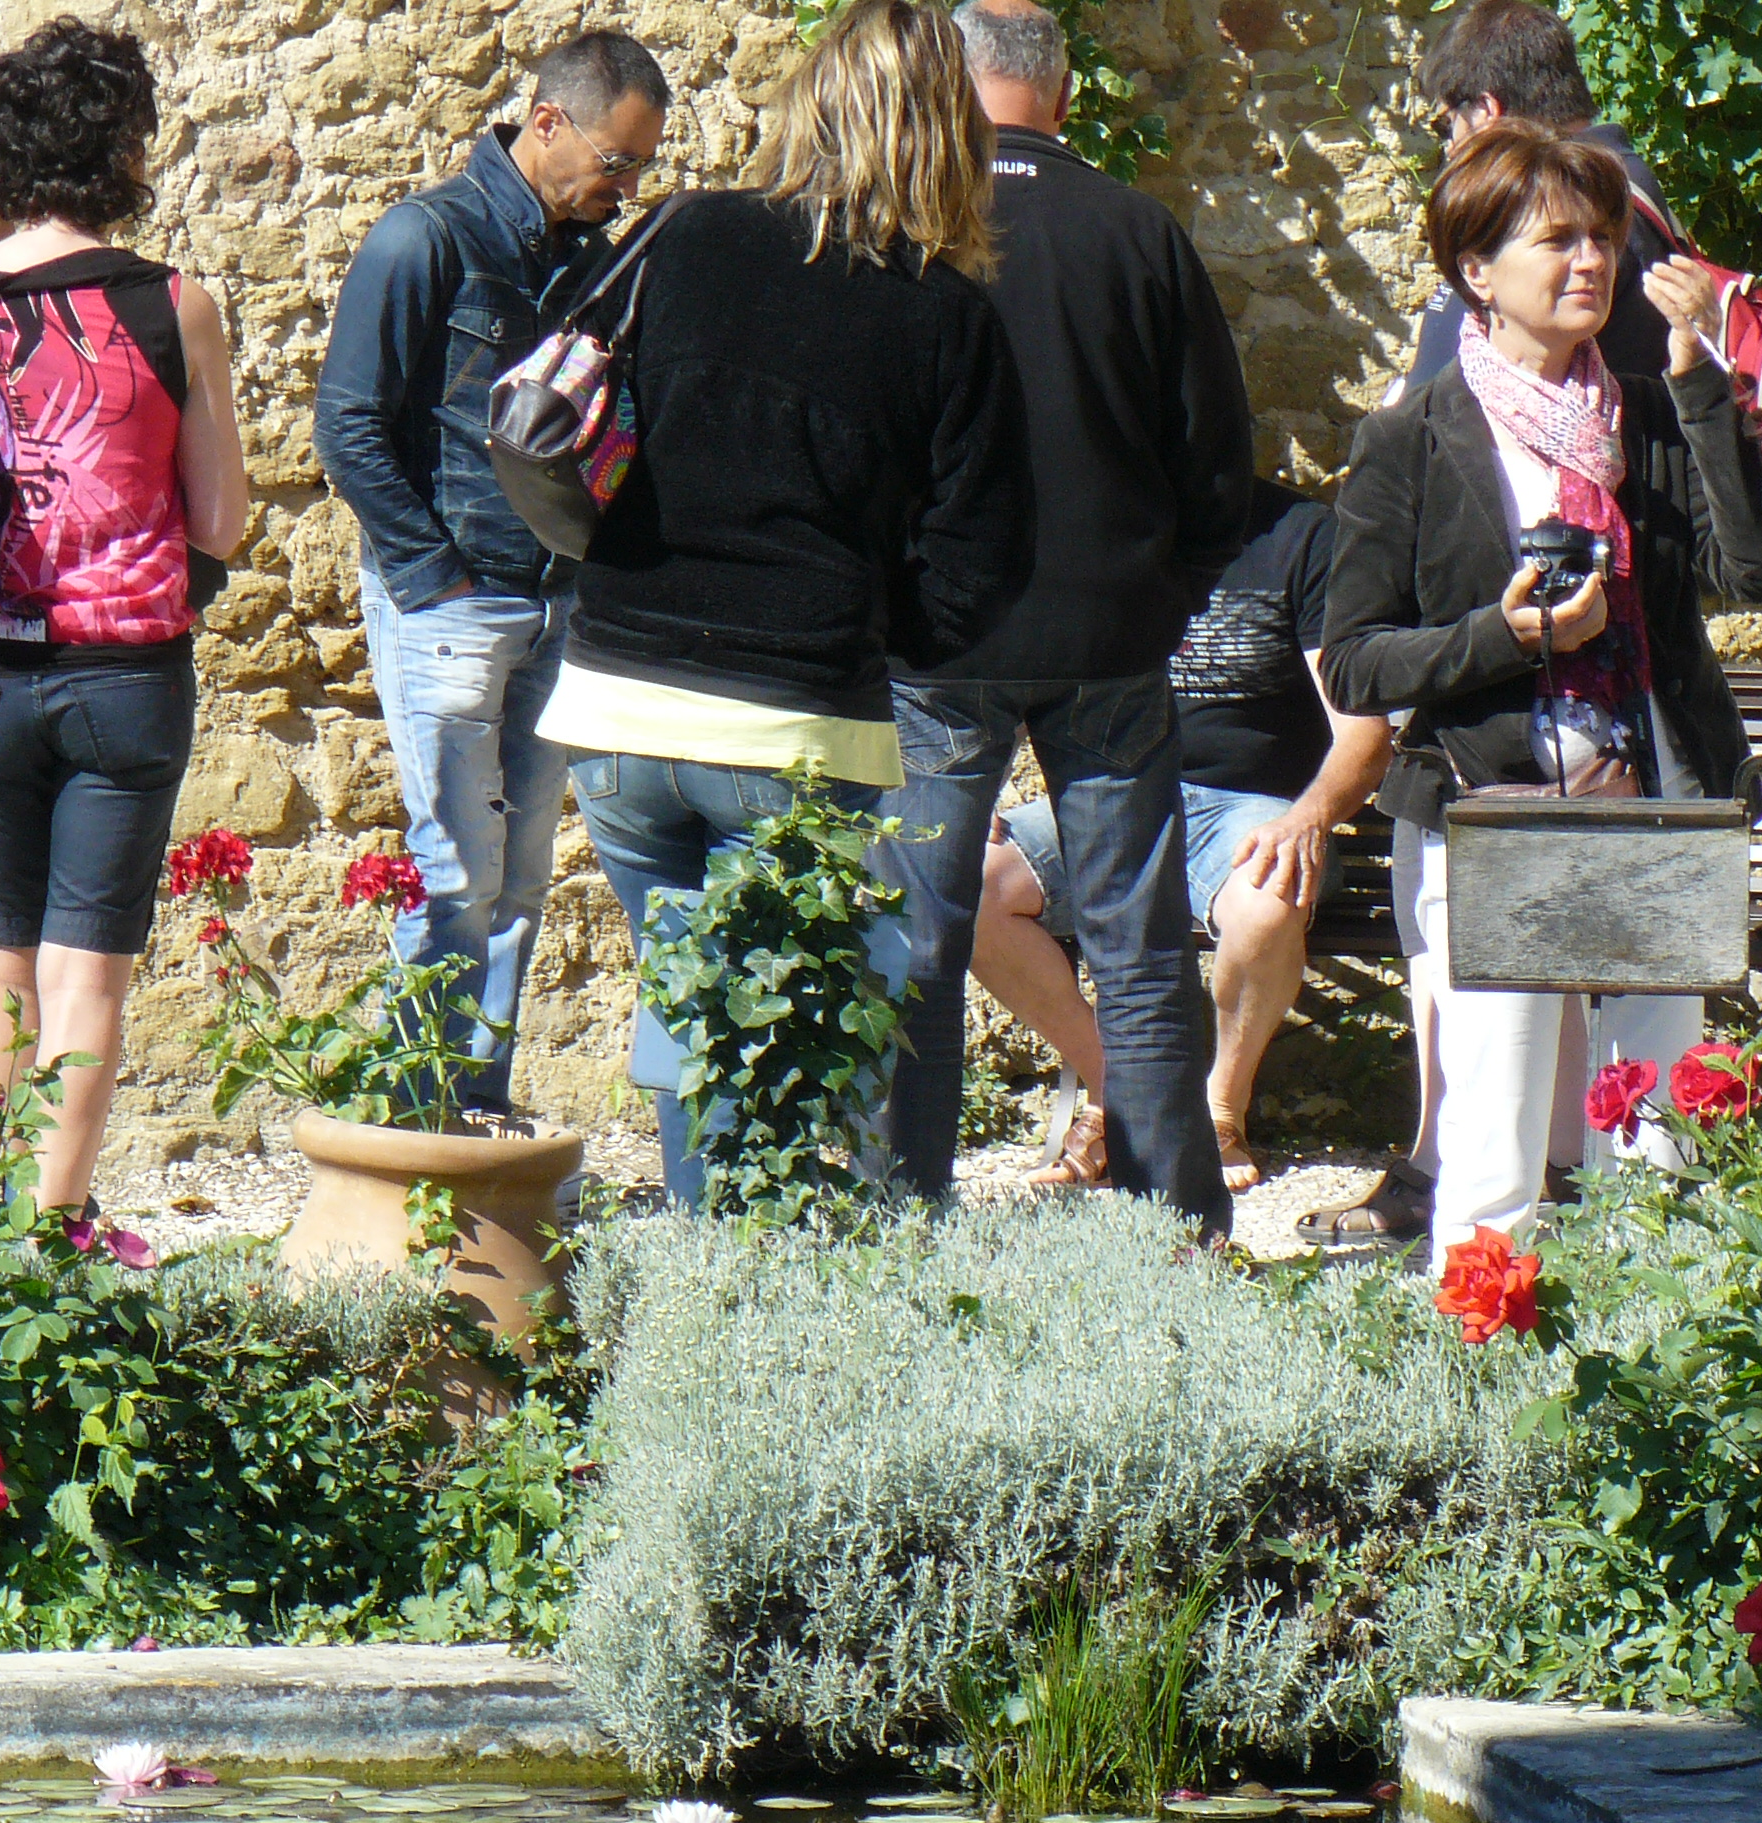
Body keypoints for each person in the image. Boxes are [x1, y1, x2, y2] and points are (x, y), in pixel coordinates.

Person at [531, 0, 1028, 1208]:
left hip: (615, 703)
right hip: (793, 722)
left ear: (812, 104)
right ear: (944, 132)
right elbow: (980, 562)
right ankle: (756, 1287)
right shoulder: (946, 310)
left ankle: (702, 1265)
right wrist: (877, 635)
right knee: (790, 1043)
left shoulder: (686, 230)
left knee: (690, 1014)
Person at [1322, 120, 1762, 1273]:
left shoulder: (1649, 415)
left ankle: (1653, 1344)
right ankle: (1482, 1349)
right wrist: (1506, 636)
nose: (1591, 262)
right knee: (1496, 1137)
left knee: (1661, 1133)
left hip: (1656, 801)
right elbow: (1356, 663)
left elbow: (1761, 571)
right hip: (1496, 809)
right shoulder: (1411, 441)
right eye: (1556, 241)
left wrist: (1700, 379)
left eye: (1602, 239)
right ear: (1476, 272)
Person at [877, 0, 1256, 1238]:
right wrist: (1164, 594)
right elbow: (1218, 462)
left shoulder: (909, 228)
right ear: (1067, 94)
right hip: (1110, 637)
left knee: (922, 941)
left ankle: (903, 1230)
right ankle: (1175, 1232)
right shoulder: (1139, 232)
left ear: (948, 89)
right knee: (1141, 951)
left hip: (942, 639)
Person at [314, 31, 669, 1117]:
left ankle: (475, 1109)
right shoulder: (424, 237)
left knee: (519, 878)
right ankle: (415, 1121)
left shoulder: (595, 258)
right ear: (547, 122)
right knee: (455, 871)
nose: (626, 187)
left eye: (641, 168)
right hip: (454, 606)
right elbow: (348, 427)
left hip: (559, 608)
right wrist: (436, 581)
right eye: (616, 161)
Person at [0, 18, 247, 1210]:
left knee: (9, 968)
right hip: (125, 678)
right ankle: (58, 1231)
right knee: (88, 980)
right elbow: (220, 522)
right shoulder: (176, 303)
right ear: (125, 150)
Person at [972, 479, 1391, 1191]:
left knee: (1266, 901)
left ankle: (1219, 1111)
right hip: (1110, 795)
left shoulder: (1301, 536)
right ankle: (1124, 1098)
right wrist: (979, 785)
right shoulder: (1095, 524)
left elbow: (1364, 731)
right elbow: (1024, 671)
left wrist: (1309, 816)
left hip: (1254, 809)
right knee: (969, 884)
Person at [1402, 0, 1677, 387]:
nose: (1449, 148)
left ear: (1486, 110)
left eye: (1447, 124)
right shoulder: (1609, 187)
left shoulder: (1584, 195)